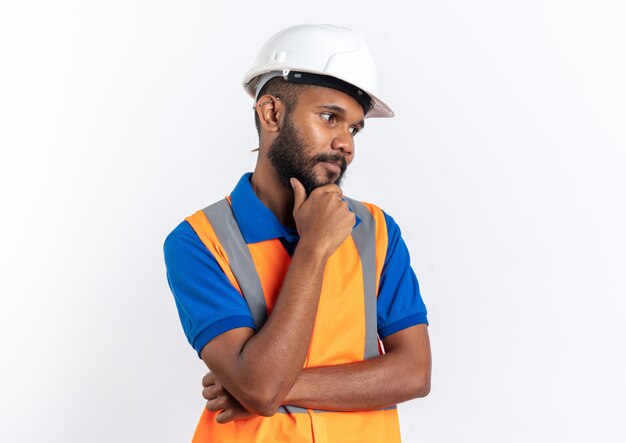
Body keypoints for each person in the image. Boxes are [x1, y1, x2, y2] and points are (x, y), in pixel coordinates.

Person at [164, 24, 431, 443]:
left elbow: (414, 372)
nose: (346, 144)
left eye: (355, 129)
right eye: (329, 118)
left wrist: (266, 390)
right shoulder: (199, 241)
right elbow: (261, 386)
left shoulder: (376, 231)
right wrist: (315, 246)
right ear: (271, 113)